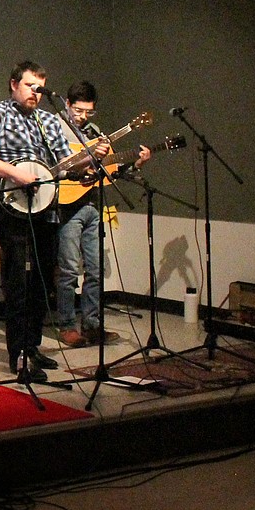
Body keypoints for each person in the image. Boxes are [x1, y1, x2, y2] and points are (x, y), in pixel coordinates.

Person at [0, 61, 109, 382]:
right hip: (13, 210)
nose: (36, 93)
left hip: (48, 210)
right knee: (18, 284)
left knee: (41, 283)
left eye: (40, 88)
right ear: (14, 83)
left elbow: (63, 164)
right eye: (30, 86)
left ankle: (32, 346)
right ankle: (17, 353)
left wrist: (92, 156)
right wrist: (17, 173)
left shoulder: (48, 120)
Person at [53, 81, 150, 347]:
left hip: (93, 205)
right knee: (69, 270)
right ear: (68, 105)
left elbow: (109, 171)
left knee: (95, 270)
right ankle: (66, 325)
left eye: (89, 112)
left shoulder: (96, 132)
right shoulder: (55, 128)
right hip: (67, 205)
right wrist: (85, 160)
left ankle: (92, 325)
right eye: (79, 111)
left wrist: (135, 162)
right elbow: (54, 166)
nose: (83, 117)